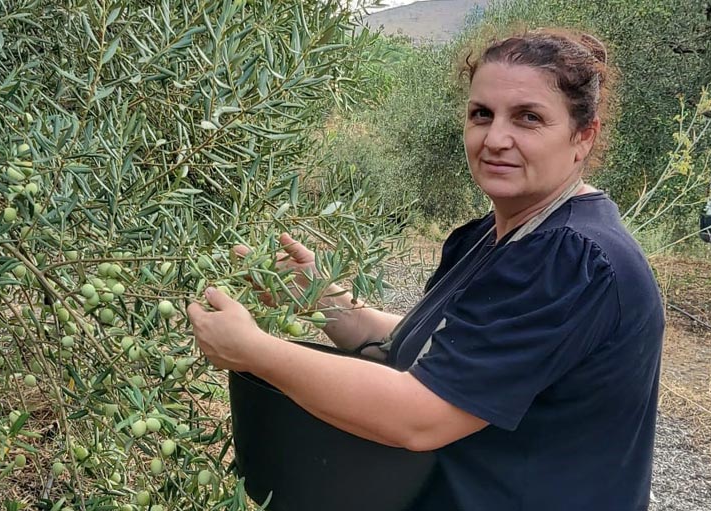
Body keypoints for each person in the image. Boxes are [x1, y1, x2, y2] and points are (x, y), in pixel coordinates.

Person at [188, 29, 665, 511]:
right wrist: (320, 299)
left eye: (528, 118)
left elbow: (420, 417)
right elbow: (444, 347)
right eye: (482, 114)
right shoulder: (497, 236)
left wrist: (252, 352)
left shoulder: (571, 259)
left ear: (583, 136)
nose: (496, 138)